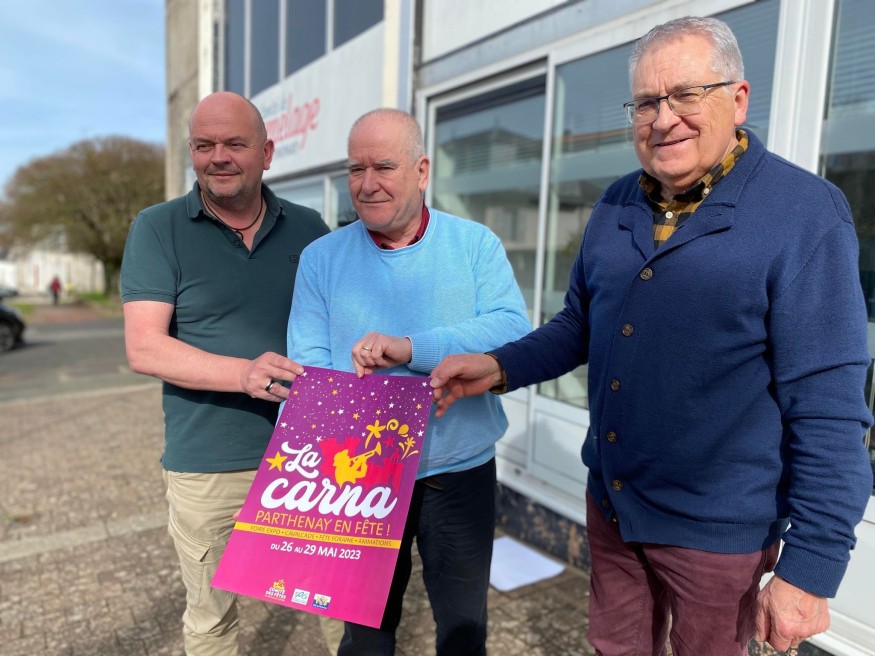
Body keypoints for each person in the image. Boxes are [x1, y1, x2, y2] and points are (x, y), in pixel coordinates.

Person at [429, 16, 873, 656]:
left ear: (738, 99)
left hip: (718, 541)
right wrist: (497, 367)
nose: (664, 119)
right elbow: (579, 324)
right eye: (645, 102)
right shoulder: (617, 204)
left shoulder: (804, 214)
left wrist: (811, 568)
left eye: (686, 94)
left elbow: (829, 408)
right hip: (614, 511)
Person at [287, 108, 530, 655]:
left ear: (422, 171)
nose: (366, 183)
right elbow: (308, 367)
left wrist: (411, 348)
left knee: (463, 632)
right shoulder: (321, 259)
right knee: (365, 635)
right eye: (356, 169)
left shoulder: (475, 244)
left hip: (459, 472)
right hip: (357, 479)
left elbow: (512, 329)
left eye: (383, 167)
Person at [120, 91, 329, 655]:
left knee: (336, 604)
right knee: (212, 619)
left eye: (235, 143)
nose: (218, 157)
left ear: (267, 152)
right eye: (204, 145)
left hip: (311, 456)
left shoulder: (311, 227)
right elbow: (144, 347)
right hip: (209, 462)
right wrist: (243, 374)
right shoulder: (157, 227)